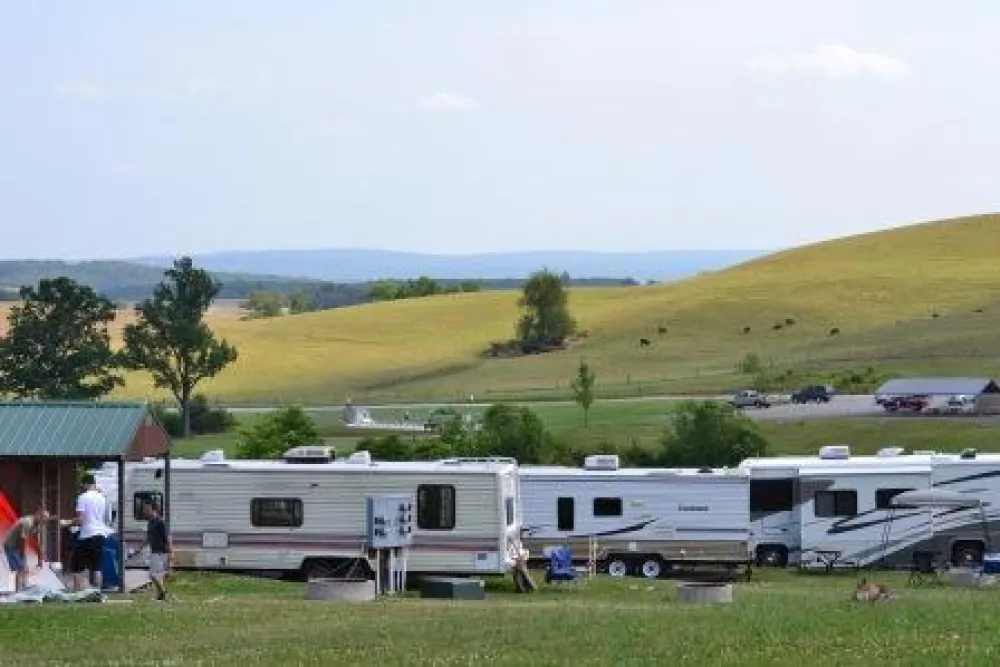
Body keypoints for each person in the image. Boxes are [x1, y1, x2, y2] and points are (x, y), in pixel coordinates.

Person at [62, 474, 112, 591]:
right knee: (96, 566)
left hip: (87, 534)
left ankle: (78, 591)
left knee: (76, 565)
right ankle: (97, 591)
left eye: (82, 485)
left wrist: (67, 522)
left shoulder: (83, 497)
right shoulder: (102, 498)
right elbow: (105, 518)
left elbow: (80, 520)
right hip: (100, 534)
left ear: (85, 484)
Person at [128, 503, 172, 601]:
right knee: (157, 575)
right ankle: (160, 595)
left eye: (147, 509)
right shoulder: (150, 523)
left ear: (154, 510)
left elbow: (168, 538)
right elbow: (148, 538)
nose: (145, 512)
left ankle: (163, 592)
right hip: (154, 551)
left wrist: (171, 553)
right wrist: (139, 549)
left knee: (153, 575)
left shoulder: (160, 522)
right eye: (144, 510)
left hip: (161, 552)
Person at [3, 508, 51, 591]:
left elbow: (38, 543)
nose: (45, 522)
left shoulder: (38, 525)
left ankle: (23, 588)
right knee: (21, 568)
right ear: (38, 515)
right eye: (44, 519)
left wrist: (40, 561)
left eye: (46, 520)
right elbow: (23, 541)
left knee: (23, 568)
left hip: (18, 546)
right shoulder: (27, 522)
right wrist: (24, 558)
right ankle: (19, 591)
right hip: (11, 545)